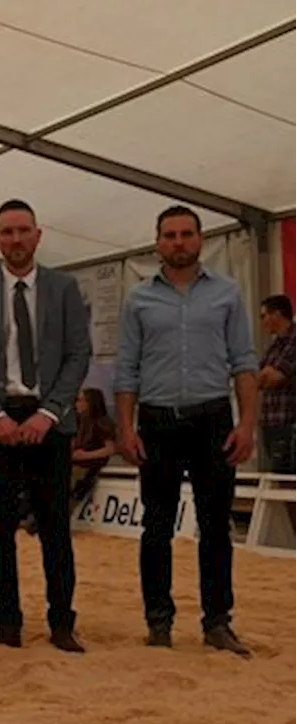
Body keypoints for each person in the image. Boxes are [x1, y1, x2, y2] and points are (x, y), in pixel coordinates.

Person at [113, 205, 258, 656]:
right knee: (156, 527)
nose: (179, 242)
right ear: (158, 242)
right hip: (156, 423)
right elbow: (127, 371)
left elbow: (245, 362)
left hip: (213, 420)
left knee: (216, 528)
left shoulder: (228, 294)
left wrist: (247, 423)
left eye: (187, 234)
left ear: (200, 239)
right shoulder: (138, 300)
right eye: (170, 235)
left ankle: (217, 622)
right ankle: (159, 623)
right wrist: (125, 427)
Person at [0, 198, 91, 653]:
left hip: (49, 421)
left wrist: (48, 413)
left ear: (38, 234)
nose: (16, 239)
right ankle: (7, 623)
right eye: (7, 232)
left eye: (23, 230)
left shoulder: (65, 288)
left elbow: (78, 354)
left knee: (55, 527)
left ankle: (62, 624)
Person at [256, 294, 297, 473]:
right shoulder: (275, 347)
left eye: (264, 316)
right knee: (277, 479)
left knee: (287, 479)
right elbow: (258, 376)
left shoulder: (294, 340)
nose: (262, 322)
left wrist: (261, 377)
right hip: (271, 423)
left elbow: (273, 377)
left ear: (277, 314)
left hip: (288, 423)